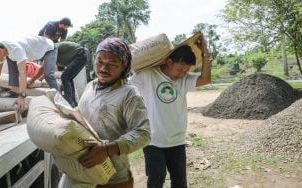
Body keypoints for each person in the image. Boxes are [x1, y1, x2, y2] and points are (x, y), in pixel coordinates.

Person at [58, 37, 151, 188]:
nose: (103, 69)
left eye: (112, 64)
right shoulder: (90, 87)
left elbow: (144, 133)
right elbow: (82, 117)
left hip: (113, 178)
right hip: (84, 171)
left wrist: (107, 149)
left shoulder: (129, 94)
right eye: (99, 61)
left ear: (124, 66)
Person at [130, 36, 211, 188]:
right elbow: (125, 86)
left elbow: (205, 79)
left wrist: (205, 52)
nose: (182, 73)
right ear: (169, 62)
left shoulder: (184, 80)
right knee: (156, 180)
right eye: (180, 68)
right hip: (153, 140)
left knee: (180, 182)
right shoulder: (148, 75)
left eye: (186, 70)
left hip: (177, 140)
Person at [0, 35, 58, 111]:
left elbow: (23, 73)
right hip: (33, 53)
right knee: (14, 86)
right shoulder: (2, 50)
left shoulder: (16, 49)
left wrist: (22, 96)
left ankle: (58, 100)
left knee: (48, 75)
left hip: (48, 48)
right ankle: (21, 94)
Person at [28, 41, 89, 107]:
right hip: (83, 55)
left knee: (65, 77)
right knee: (68, 78)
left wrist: (32, 80)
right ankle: (73, 103)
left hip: (80, 54)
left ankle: (68, 103)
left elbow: (44, 70)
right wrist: (38, 81)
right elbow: (45, 70)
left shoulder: (51, 49)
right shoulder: (51, 51)